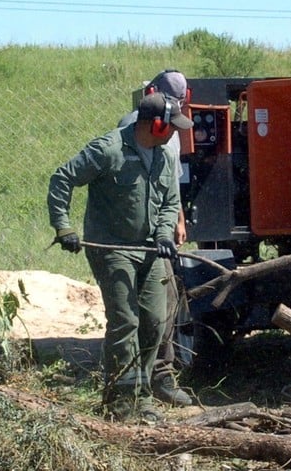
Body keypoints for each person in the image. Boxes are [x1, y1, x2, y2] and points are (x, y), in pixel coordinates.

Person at [47, 92, 192, 423]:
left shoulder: (165, 156)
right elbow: (63, 178)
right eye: (172, 126)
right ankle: (121, 401)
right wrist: (63, 227)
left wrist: (163, 234)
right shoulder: (108, 149)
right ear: (155, 124)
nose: (176, 133)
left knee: (155, 321)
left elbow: (170, 201)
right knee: (126, 322)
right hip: (112, 250)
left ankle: (143, 397)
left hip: (150, 249)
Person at [116, 70, 193, 407]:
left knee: (168, 300)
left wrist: (176, 219)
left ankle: (160, 375)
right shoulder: (132, 126)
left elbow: (170, 182)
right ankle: (132, 384)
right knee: (136, 313)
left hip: (160, 230)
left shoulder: (170, 128)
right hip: (134, 236)